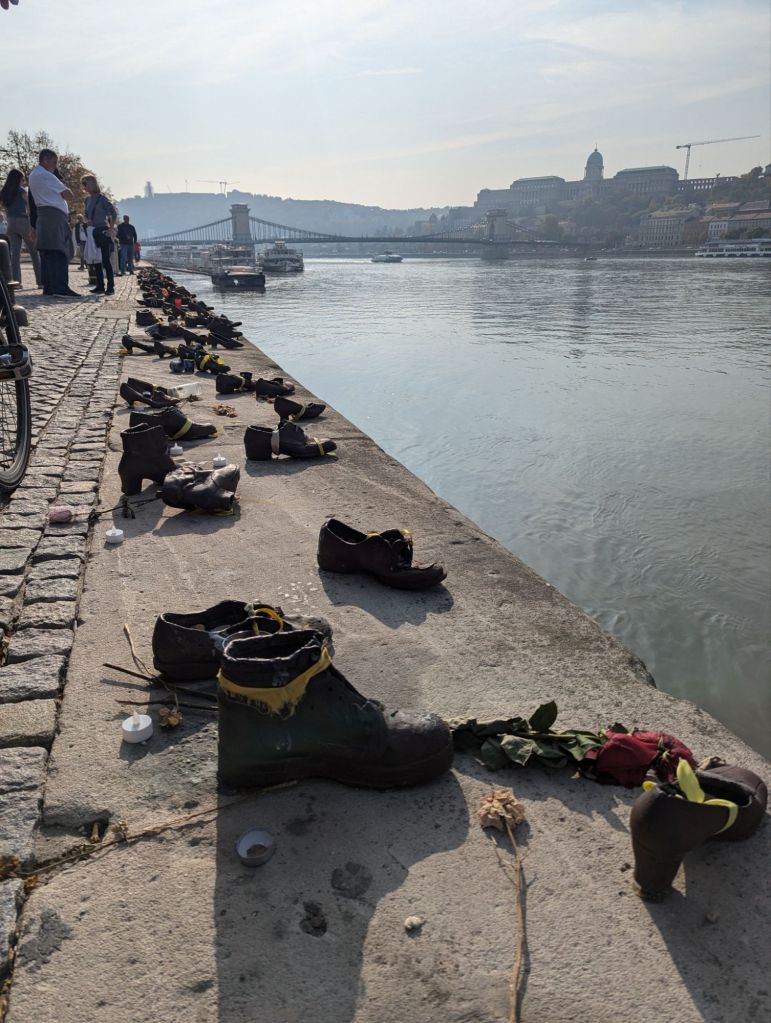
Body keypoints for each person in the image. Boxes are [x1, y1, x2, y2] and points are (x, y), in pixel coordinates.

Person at [27, 149, 78, 297]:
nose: (55, 166)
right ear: (46, 160)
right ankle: (60, 287)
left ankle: (49, 286)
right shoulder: (46, 175)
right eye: (54, 162)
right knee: (59, 250)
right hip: (54, 216)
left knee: (48, 252)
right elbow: (68, 194)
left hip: (43, 215)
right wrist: (63, 185)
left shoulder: (33, 175)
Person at [82, 174, 116, 295]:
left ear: (91, 184)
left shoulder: (102, 199)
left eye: (85, 184)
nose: (83, 187)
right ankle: (100, 285)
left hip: (102, 230)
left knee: (105, 260)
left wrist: (110, 229)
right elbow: (86, 216)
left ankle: (110, 286)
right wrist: (85, 219)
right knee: (96, 261)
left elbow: (113, 213)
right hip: (92, 231)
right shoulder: (87, 200)